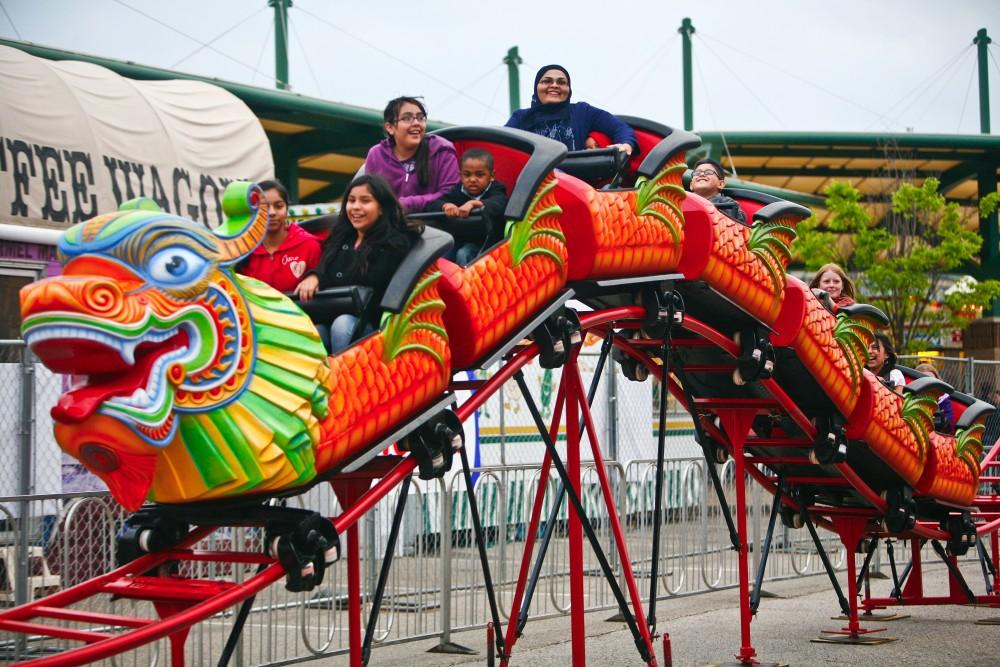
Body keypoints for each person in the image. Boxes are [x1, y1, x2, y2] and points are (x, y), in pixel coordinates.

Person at [294, 175, 414, 353]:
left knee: (342, 325)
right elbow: (326, 271)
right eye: (351, 201)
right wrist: (315, 276)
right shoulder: (340, 238)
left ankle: (342, 379)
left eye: (365, 201)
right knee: (312, 332)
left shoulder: (394, 242)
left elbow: (374, 284)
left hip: (376, 326)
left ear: (381, 208)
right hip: (331, 317)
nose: (356, 207)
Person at [505, 65, 638, 155]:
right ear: (536, 87)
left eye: (562, 82)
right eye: (547, 81)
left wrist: (626, 144)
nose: (555, 85)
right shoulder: (521, 117)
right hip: (533, 188)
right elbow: (501, 145)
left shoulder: (582, 112)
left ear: (569, 90)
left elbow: (620, 128)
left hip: (575, 186)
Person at [363, 96, 459, 214]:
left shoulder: (442, 150)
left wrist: (407, 204)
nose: (416, 123)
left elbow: (451, 193)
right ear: (390, 127)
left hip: (434, 223)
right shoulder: (376, 154)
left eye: (420, 118)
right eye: (407, 118)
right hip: (389, 225)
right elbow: (369, 195)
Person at [426, 148, 509, 266]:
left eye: (479, 175)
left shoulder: (496, 188)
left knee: (464, 253)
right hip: (460, 237)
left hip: (486, 242)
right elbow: (433, 204)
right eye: (467, 175)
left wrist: (473, 204)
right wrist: (445, 206)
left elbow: (499, 203)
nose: (472, 179)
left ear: (491, 176)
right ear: (460, 175)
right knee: (442, 253)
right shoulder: (457, 190)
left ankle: (465, 283)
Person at [236, 179, 321, 292]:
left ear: (287, 208)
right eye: (264, 207)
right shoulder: (243, 250)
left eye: (278, 206)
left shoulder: (310, 246)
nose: (272, 213)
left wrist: (315, 277)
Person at [688, 158, 746, 223]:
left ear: (721, 184)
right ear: (691, 185)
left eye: (708, 172)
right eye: (697, 173)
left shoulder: (729, 205)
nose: (701, 174)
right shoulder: (681, 203)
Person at [914, 362, 954, 434]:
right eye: (924, 380)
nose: (929, 384)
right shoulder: (911, 397)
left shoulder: (943, 398)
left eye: (931, 380)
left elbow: (948, 422)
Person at [868, 332, 904, 397]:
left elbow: (898, 403)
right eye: (866, 347)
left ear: (886, 354)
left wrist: (882, 386)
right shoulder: (858, 374)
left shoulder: (895, 375)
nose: (869, 351)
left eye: (875, 347)